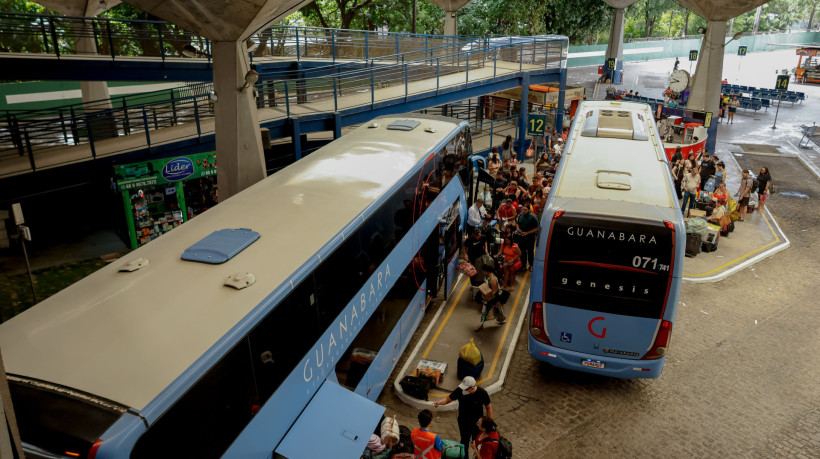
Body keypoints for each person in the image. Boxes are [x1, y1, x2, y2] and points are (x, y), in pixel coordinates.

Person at [433, 376, 493, 452]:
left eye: (466, 388)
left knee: (477, 443)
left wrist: (489, 424)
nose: (464, 390)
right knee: (464, 442)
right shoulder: (460, 391)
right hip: (463, 422)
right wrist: (439, 403)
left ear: (472, 387)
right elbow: (448, 399)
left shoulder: (482, 393)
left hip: (478, 424)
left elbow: (489, 407)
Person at [472, 263, 506, 331]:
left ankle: (481, 325)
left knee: (484, 311)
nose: (482, 272)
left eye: (483, 271)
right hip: (492, 298)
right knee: (497, 309)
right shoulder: (488, 276)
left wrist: (486, 296)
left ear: (486, 271)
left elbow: (494, 291)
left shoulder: (492, 279)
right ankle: (501, 319)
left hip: (493, 298)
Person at [515, 205, 539, 272]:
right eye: (523, 209)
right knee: (522, 252)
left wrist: (527, 233)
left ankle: (531, 265)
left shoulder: (533, 217)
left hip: (530, 238)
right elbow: (517, 223)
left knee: (530, 252)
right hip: (521, 237)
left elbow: (537, 228)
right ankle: (523, 265)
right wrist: (518, 228)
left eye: (525, 210)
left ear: (528, 210)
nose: (524, 211)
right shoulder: (520, 216)